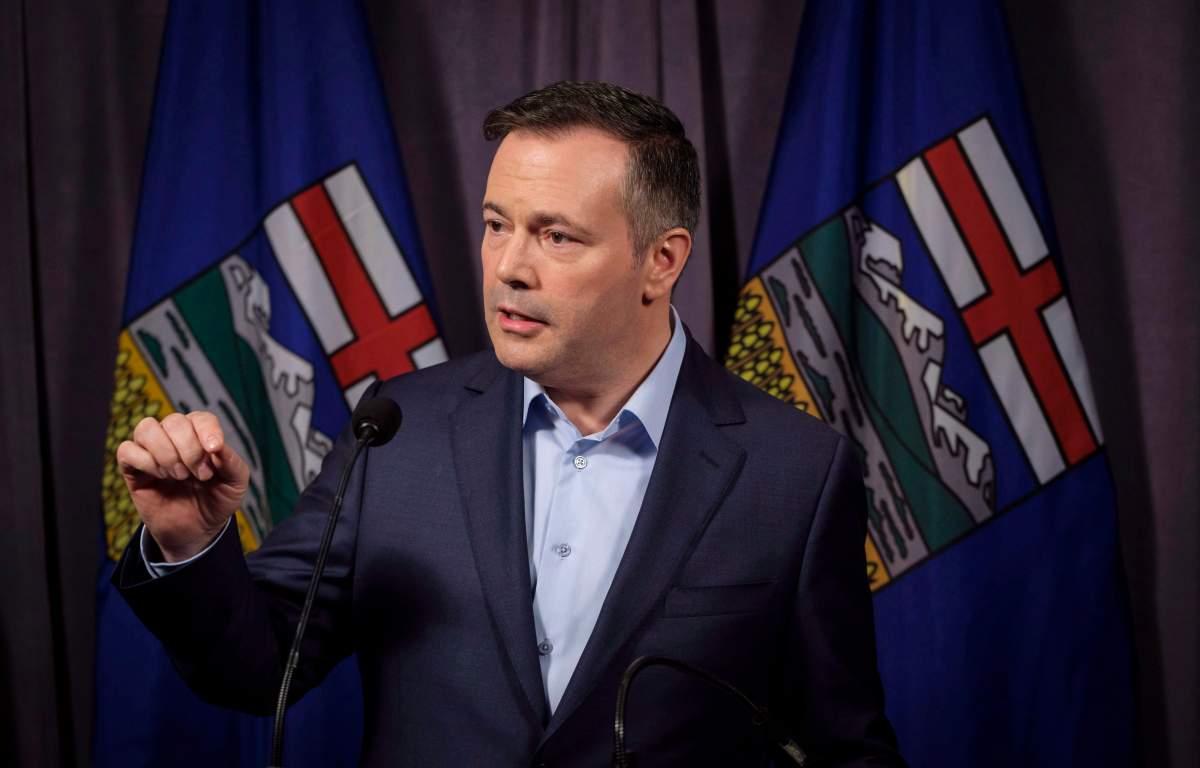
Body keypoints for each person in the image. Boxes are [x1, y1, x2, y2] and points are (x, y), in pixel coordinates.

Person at [114, 81, 905, 767]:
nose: (508, 268)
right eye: (498, 224)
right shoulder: (398, 429)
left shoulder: (795, 471)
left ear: (661, 261)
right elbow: (257, 670)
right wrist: (190, 543)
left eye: (556, 236)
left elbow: (842, 749)